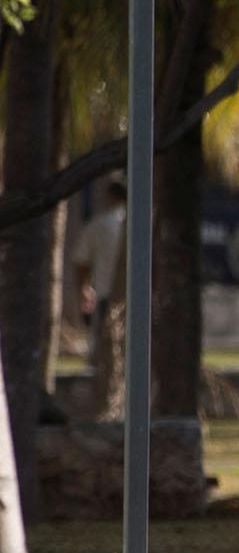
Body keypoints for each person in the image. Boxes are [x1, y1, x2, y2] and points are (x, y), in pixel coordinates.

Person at [69, 176, 127, 417]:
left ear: (110, 197)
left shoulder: (99, 224)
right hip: (135, 302)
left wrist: (83, 289)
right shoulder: (141, 222)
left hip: (107, 299)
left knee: (106, 359)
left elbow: (80, 263)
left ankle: (109, 409)